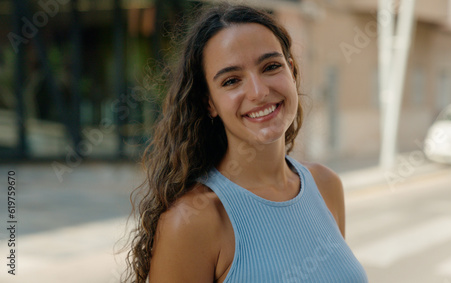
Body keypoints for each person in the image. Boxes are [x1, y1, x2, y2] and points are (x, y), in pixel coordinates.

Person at [124, 3, 368, 283]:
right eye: (231, 81)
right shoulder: (192, 220)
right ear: (209, 102)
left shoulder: (326, 185)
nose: (259, 91)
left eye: (271, 66)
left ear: (292, 71)